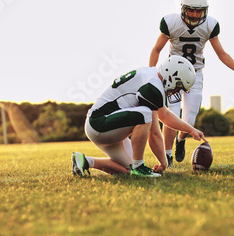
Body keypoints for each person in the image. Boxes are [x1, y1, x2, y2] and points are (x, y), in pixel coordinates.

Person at [149, 0, 234, 167]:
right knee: (171, 114)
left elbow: (221, 53)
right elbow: (156, 49)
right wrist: (151, 73)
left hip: (194, 74)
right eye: (191, 10)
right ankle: (167, 155)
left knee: (189, 119)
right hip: (172, 74)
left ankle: (181, 140)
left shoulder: (210, 26)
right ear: (183, 8)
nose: (195, 14)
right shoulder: (171, 22)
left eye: (199, 11)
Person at [72, 55, 207, 178]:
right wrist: (164, 163)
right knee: (145, 113)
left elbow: (164, 115)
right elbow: (154, 134)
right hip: (99, 123)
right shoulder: (153, 86)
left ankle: (85, 161)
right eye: (178, 86)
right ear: (172, 77)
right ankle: (139, 166)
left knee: (128, 171)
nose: (177, 91)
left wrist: (190, 130)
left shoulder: (152, 75)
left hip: (107, 126)